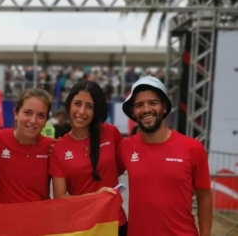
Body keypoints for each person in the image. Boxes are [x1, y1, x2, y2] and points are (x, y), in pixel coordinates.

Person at [118, 76, 212, 236]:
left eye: (152, 103)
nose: (146, 109)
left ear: (164, 107)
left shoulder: (193, 148)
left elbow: (204, 197)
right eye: (139, 105)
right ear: (133, 113)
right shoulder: (125, 147)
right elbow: (98, 170)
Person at [49, 80, 128, 236]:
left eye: (89, 106)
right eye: (77, 104)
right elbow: (60, 198)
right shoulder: (58, 148)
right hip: (80, 228)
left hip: (114, 223)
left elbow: (119, 167)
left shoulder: (111, 133)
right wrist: (97, 196)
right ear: (69, 104)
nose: (82, 111)